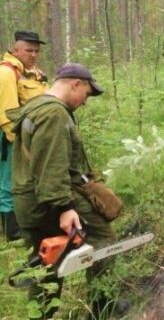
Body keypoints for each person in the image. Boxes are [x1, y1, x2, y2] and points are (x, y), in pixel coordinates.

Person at [6, 63, 118, 319]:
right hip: (46, 201)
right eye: (87, 94)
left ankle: (43, 314)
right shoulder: (54, 114)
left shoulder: (37, 106)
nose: (86, 102)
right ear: (75, 84)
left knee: (48, 264)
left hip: (31, 201)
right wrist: (64, 208)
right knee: (102, 239)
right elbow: (51, 165)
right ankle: (103, 307)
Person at [0, 30, 48, 241]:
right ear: (16, 49)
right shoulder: (7, 73)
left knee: (23, 181)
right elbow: (7, 114)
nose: (33, 54)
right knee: (9, 182)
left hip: (31, 136)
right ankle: (12, 230)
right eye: (29, 50)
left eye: (37, 51)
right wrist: (19, 143)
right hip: (12, 137)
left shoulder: (34, 73)